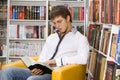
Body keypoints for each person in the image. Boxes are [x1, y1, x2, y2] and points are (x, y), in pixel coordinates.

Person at [0, 5, 89, 80]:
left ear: (68, 18)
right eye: (54, 23)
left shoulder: (80, 39)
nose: (57, 26)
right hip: (41, 72)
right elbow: (42, 58)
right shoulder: (51, 38)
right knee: (6, 72)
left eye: (59, 21)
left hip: (55, 74)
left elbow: (83, 58)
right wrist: (37, 68)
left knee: (32, 79)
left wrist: (57, 61)